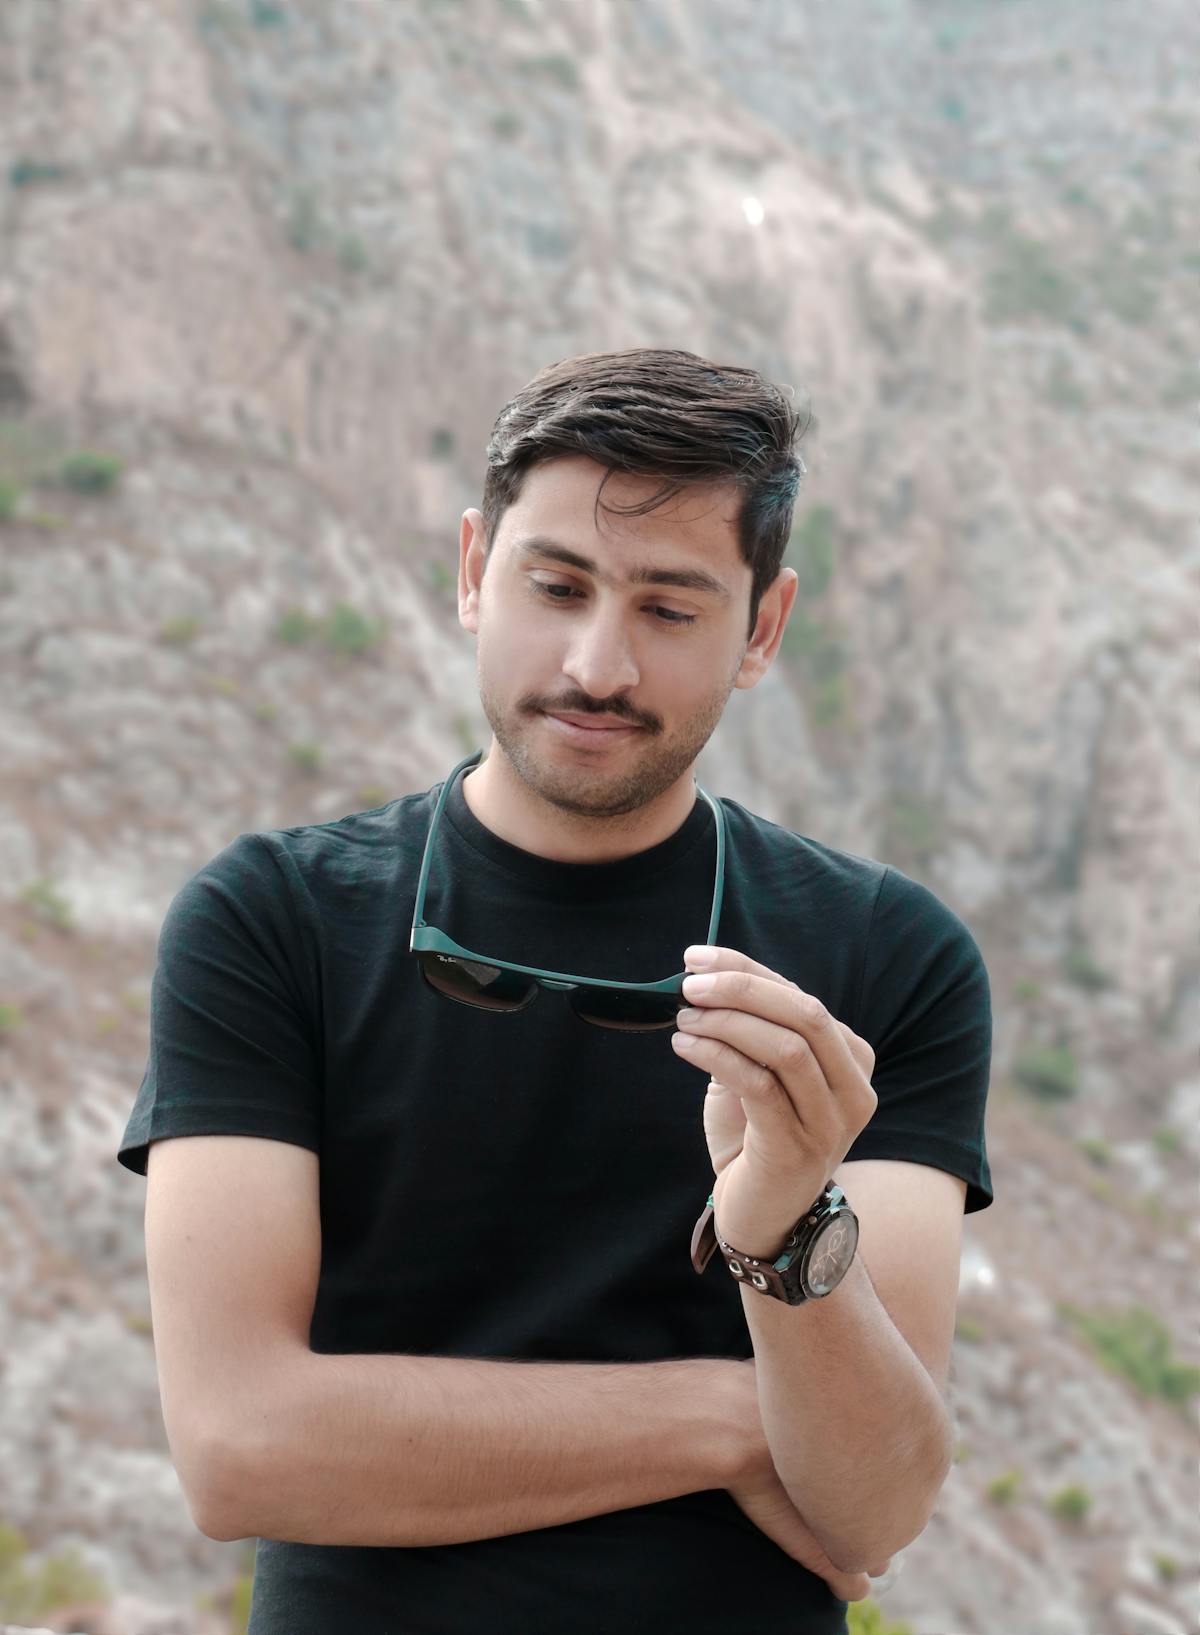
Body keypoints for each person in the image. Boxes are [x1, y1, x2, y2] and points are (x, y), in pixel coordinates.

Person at [117, 347, 993, 1635]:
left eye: (671, 609)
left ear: (762, 630)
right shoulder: (270, 922)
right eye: (558, 585)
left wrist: (782, 1223)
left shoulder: (885, 956)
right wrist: (728, 1417)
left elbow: (872, 1507)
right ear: (475, 571)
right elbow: (242, 1447)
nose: (598, 666)